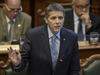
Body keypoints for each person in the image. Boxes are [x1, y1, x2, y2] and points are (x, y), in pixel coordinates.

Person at [8, 3, 80, 75]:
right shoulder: (33, 35)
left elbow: (74, 69)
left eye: (60, 18)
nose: (58, 22)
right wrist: (17, 64)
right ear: (46, 19)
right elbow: (22, 60)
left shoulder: (72, 37)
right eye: (53, 18)